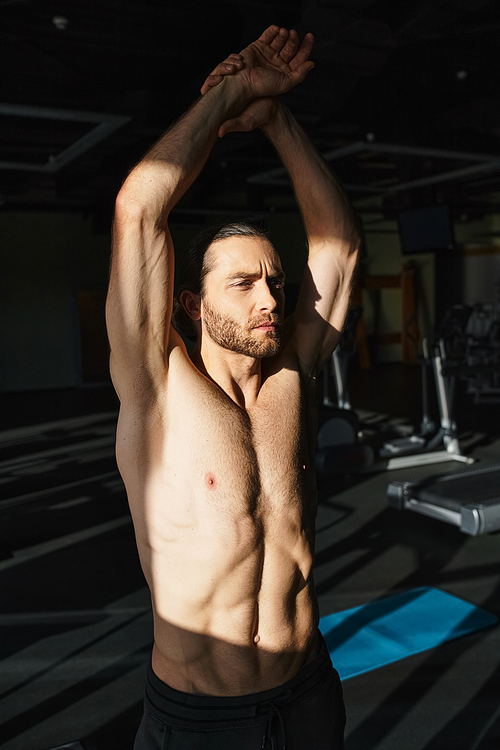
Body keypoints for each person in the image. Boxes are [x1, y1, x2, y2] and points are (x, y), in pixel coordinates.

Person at [106, 24, 359, 750]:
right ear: (192, 305)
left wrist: (277, 117)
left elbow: (337, 248)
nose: (269, 299)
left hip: (309, 693)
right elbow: (140, 210)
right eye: (243, 283)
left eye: (275, 282)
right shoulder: (156, 385)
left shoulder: (294, 375)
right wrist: (228, 95)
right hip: (201, 718)